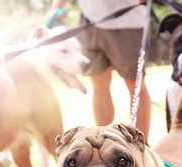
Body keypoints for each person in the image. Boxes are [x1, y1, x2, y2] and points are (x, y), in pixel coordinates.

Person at [47, 0, 152, 143]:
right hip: (90, 20)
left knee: (135, 85)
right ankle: (104, 144)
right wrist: (56, 6)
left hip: (127, 22)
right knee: (99, 85)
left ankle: (141, 147)